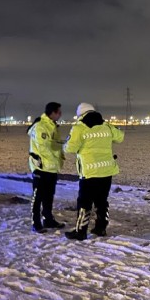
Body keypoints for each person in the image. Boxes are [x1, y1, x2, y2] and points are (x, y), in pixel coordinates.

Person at [64, 102, 124, 241]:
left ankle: (81, 231)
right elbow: (120, 137)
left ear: (80, 114)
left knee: (84, 203)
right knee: (102, 201)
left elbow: (70, 148)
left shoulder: (79, 128)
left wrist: (67, 143)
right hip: (107, 171)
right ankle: (101, 228)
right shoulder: (106, 125)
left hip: (89, 173)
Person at [27, 102, 66, 233]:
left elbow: (52, 145)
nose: (60, 115)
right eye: (59, 112)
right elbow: (46, 147)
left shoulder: (52, 126)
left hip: (51, 167)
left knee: (49, 196)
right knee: (38, 197)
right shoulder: (41, 126)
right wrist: (61, 146)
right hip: (41, 167)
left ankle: (48, 219)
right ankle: (36, 223)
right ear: (52, 113)